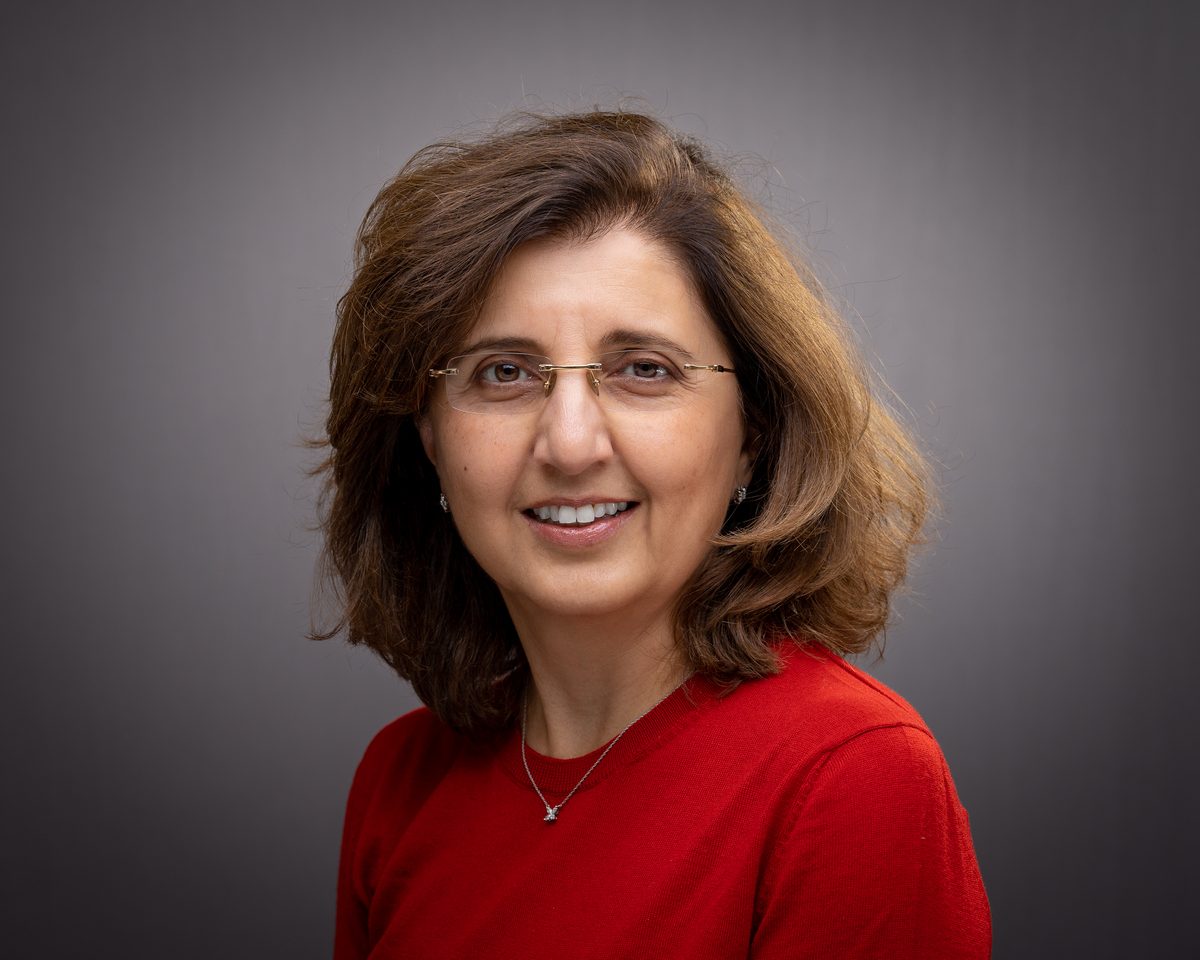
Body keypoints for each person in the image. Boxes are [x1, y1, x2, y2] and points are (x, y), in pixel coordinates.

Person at [315, 108, 991, 958]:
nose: (570, 445)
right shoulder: (400, 781)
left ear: (752, 432)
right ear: (428, 436)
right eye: (504, 372)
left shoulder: (852, 778)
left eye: (643, 370)